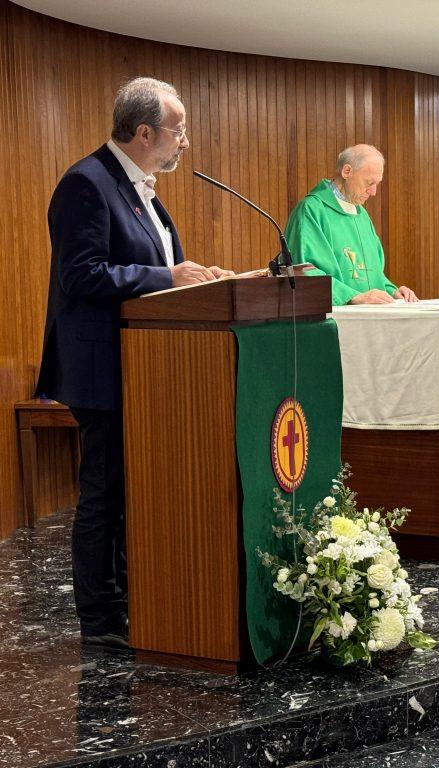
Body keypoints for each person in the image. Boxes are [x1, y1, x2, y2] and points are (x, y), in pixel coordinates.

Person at [36, 77, 231, 649]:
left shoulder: (137, 186)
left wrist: (190, 275)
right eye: (178, 131)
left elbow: (147, 265)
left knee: (128, 492)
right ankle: (100, 623)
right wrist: (166, 277)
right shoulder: (86, 183)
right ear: (144, 133)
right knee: (103, 493)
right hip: (102, 369)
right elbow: (82, 276)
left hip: (143, 367)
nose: (184, 142)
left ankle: (129, 603)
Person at [284, 144, 417, 306]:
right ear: (347, 172)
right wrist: (351, 296)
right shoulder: (312, 210)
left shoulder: (361, 215)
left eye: (377, 183)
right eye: (369, 183)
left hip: (372, 319)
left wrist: (392, 291)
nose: (374, 191)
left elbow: (371, 274)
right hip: (334, 319)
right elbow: (303, 270)